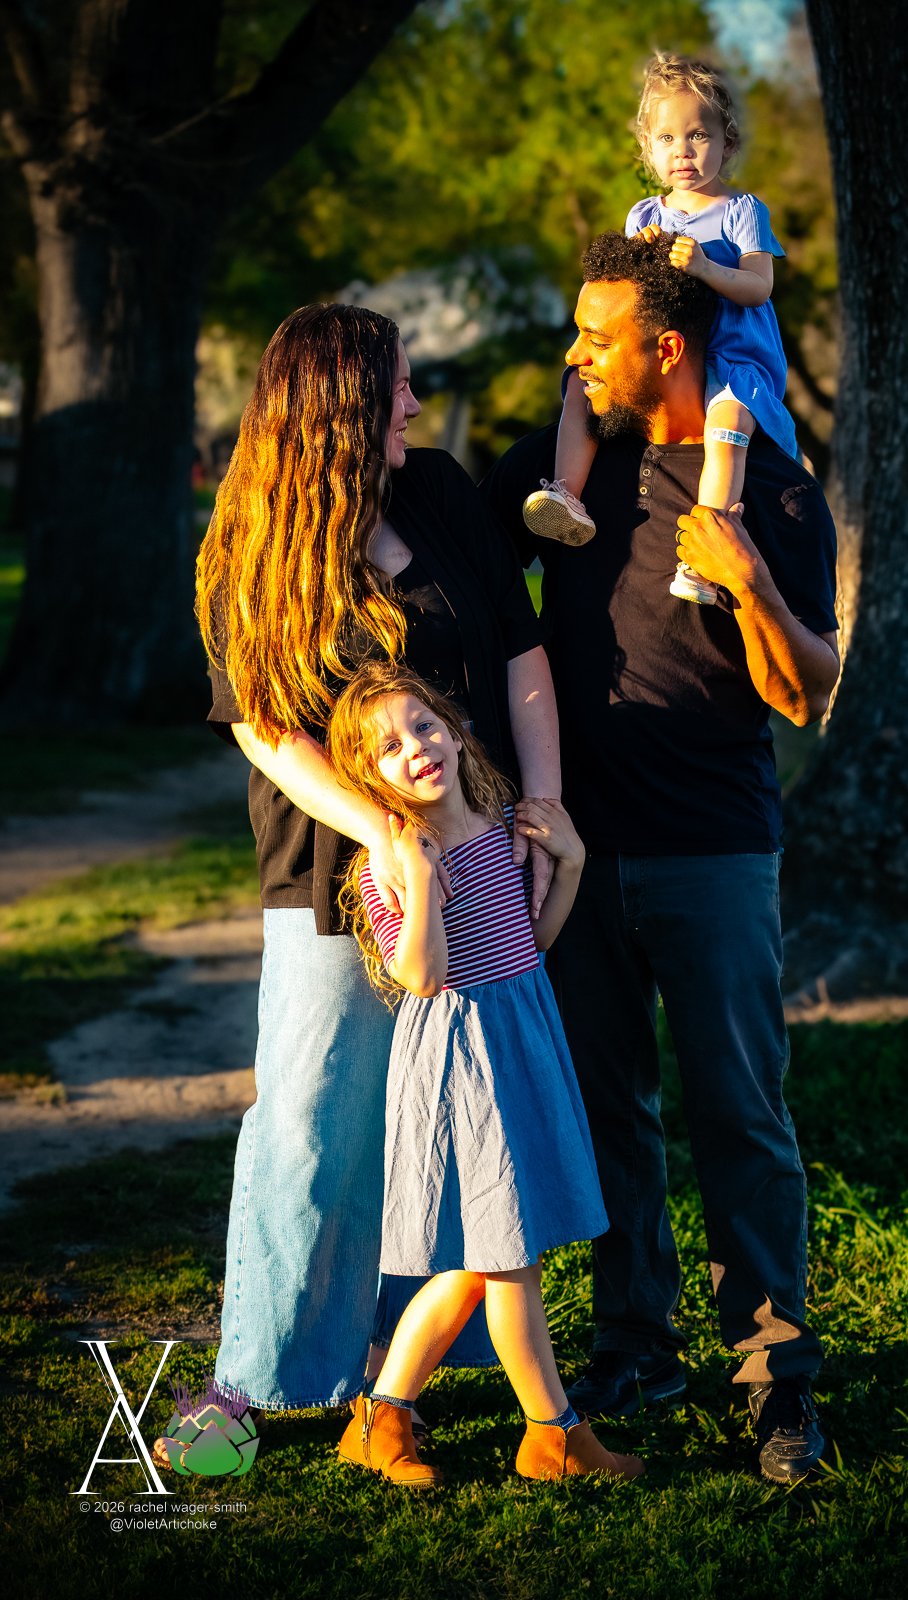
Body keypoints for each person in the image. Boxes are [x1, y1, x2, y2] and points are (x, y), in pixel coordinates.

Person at [483, 230, 840, 1484]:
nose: (573, 356)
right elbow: (443, 560)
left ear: (667, 347)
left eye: (596, 336)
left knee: (740, 1112)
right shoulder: (563, 480)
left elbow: (804, 692)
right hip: (577, 858)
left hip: (714, 852)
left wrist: (743, 577)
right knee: (609, 1114)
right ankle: (636, 1341)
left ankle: (776, 1376)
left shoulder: (779, 493)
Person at [193, 303, 560, 1416]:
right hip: (327, 872)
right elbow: (261, 722)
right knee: (312, 1111)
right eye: (394, 386)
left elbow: (520, 653)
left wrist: (542, 803)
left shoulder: (440, 491)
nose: (411, 400)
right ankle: (255, 1379)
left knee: (450, 1106)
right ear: (339, 407)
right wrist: (380, 830)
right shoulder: (251, 536)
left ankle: (409, 1368)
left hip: (474, 855)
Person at [325, 663, 643, 1486]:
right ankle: (555, 1435)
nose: (416, 749)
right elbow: (421, 975)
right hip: (458, 1057)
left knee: (480, 1259)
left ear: (457, 732)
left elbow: (530, 940)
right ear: (370, 777)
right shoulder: (390, 864)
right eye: (389, 747)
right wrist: (423, 878)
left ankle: (381, 1413)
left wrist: (566, 866)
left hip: (523, 1037)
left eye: (425, 727)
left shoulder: (504, 825)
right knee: (509, 1260)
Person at [523, 52, 797, 606]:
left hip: (731, 357)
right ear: (648, 148)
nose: (684, 152)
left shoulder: (741, 210)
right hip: (662, 355)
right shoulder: (645, 215)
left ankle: (705, 554)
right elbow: (630, 297)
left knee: (727, 429)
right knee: (581, 379)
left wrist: (703, 266)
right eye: (668, 138)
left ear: (728, 143)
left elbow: (757, 288)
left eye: (699, 136)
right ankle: (567, 494)